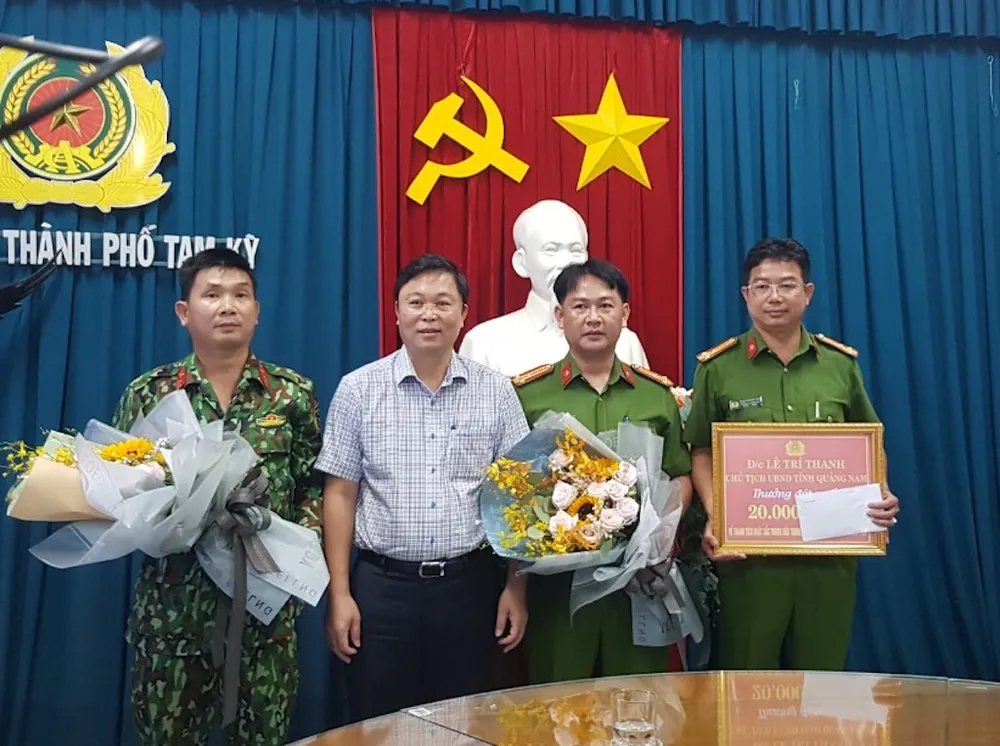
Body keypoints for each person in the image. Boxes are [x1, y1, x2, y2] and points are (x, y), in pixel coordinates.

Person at [111, 248, 323, 745]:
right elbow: (118, 486)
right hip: (173, 615)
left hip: (265, 614)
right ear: (184, 312)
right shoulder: (151, 394)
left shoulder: (293, 394)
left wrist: (296, 542)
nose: (227, 306)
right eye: (212, 295)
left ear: (257, 310)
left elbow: (314, 484)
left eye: (240, 295)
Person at [318, 254, 531, 722]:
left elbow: (518, 494)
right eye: (416, 302)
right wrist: (340, 593)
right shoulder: (358, 390)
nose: (429, 314)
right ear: (396, 312)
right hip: (380, 590)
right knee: (379, 723)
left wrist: (516, 586)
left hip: (469, 588)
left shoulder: (496, 392)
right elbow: (339, 493)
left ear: (464, 313)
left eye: (442, 302)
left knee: (465, 722)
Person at [683, 237, 900, 671]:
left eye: (787, 285)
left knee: (822, 678)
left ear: (808, 292)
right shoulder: (718, 368)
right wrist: (716, 512)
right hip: (749, 558)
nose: (775, 297)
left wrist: (881, 493)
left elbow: (868, 441)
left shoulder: (840, 365)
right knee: (747, 679)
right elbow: (701, 448)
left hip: (829, 552)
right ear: (746, 295)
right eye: (762, 286)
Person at [512, 258, 694, 683]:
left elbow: (679, 474)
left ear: (624, 314)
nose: (593, 317)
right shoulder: (528, 396)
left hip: (639, 585)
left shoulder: (655, 395)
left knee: (638, 701)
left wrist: (658, 534)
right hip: (558, 588)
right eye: (580, 307)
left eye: (605, 306)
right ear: (560, 316)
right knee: (558, 703)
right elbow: (515, 490)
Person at [459, 199, 648, 375]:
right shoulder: (484, 343)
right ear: (521, 262)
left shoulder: (624, 341)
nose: (566, 263)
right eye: (550, 250)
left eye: (575, 250)